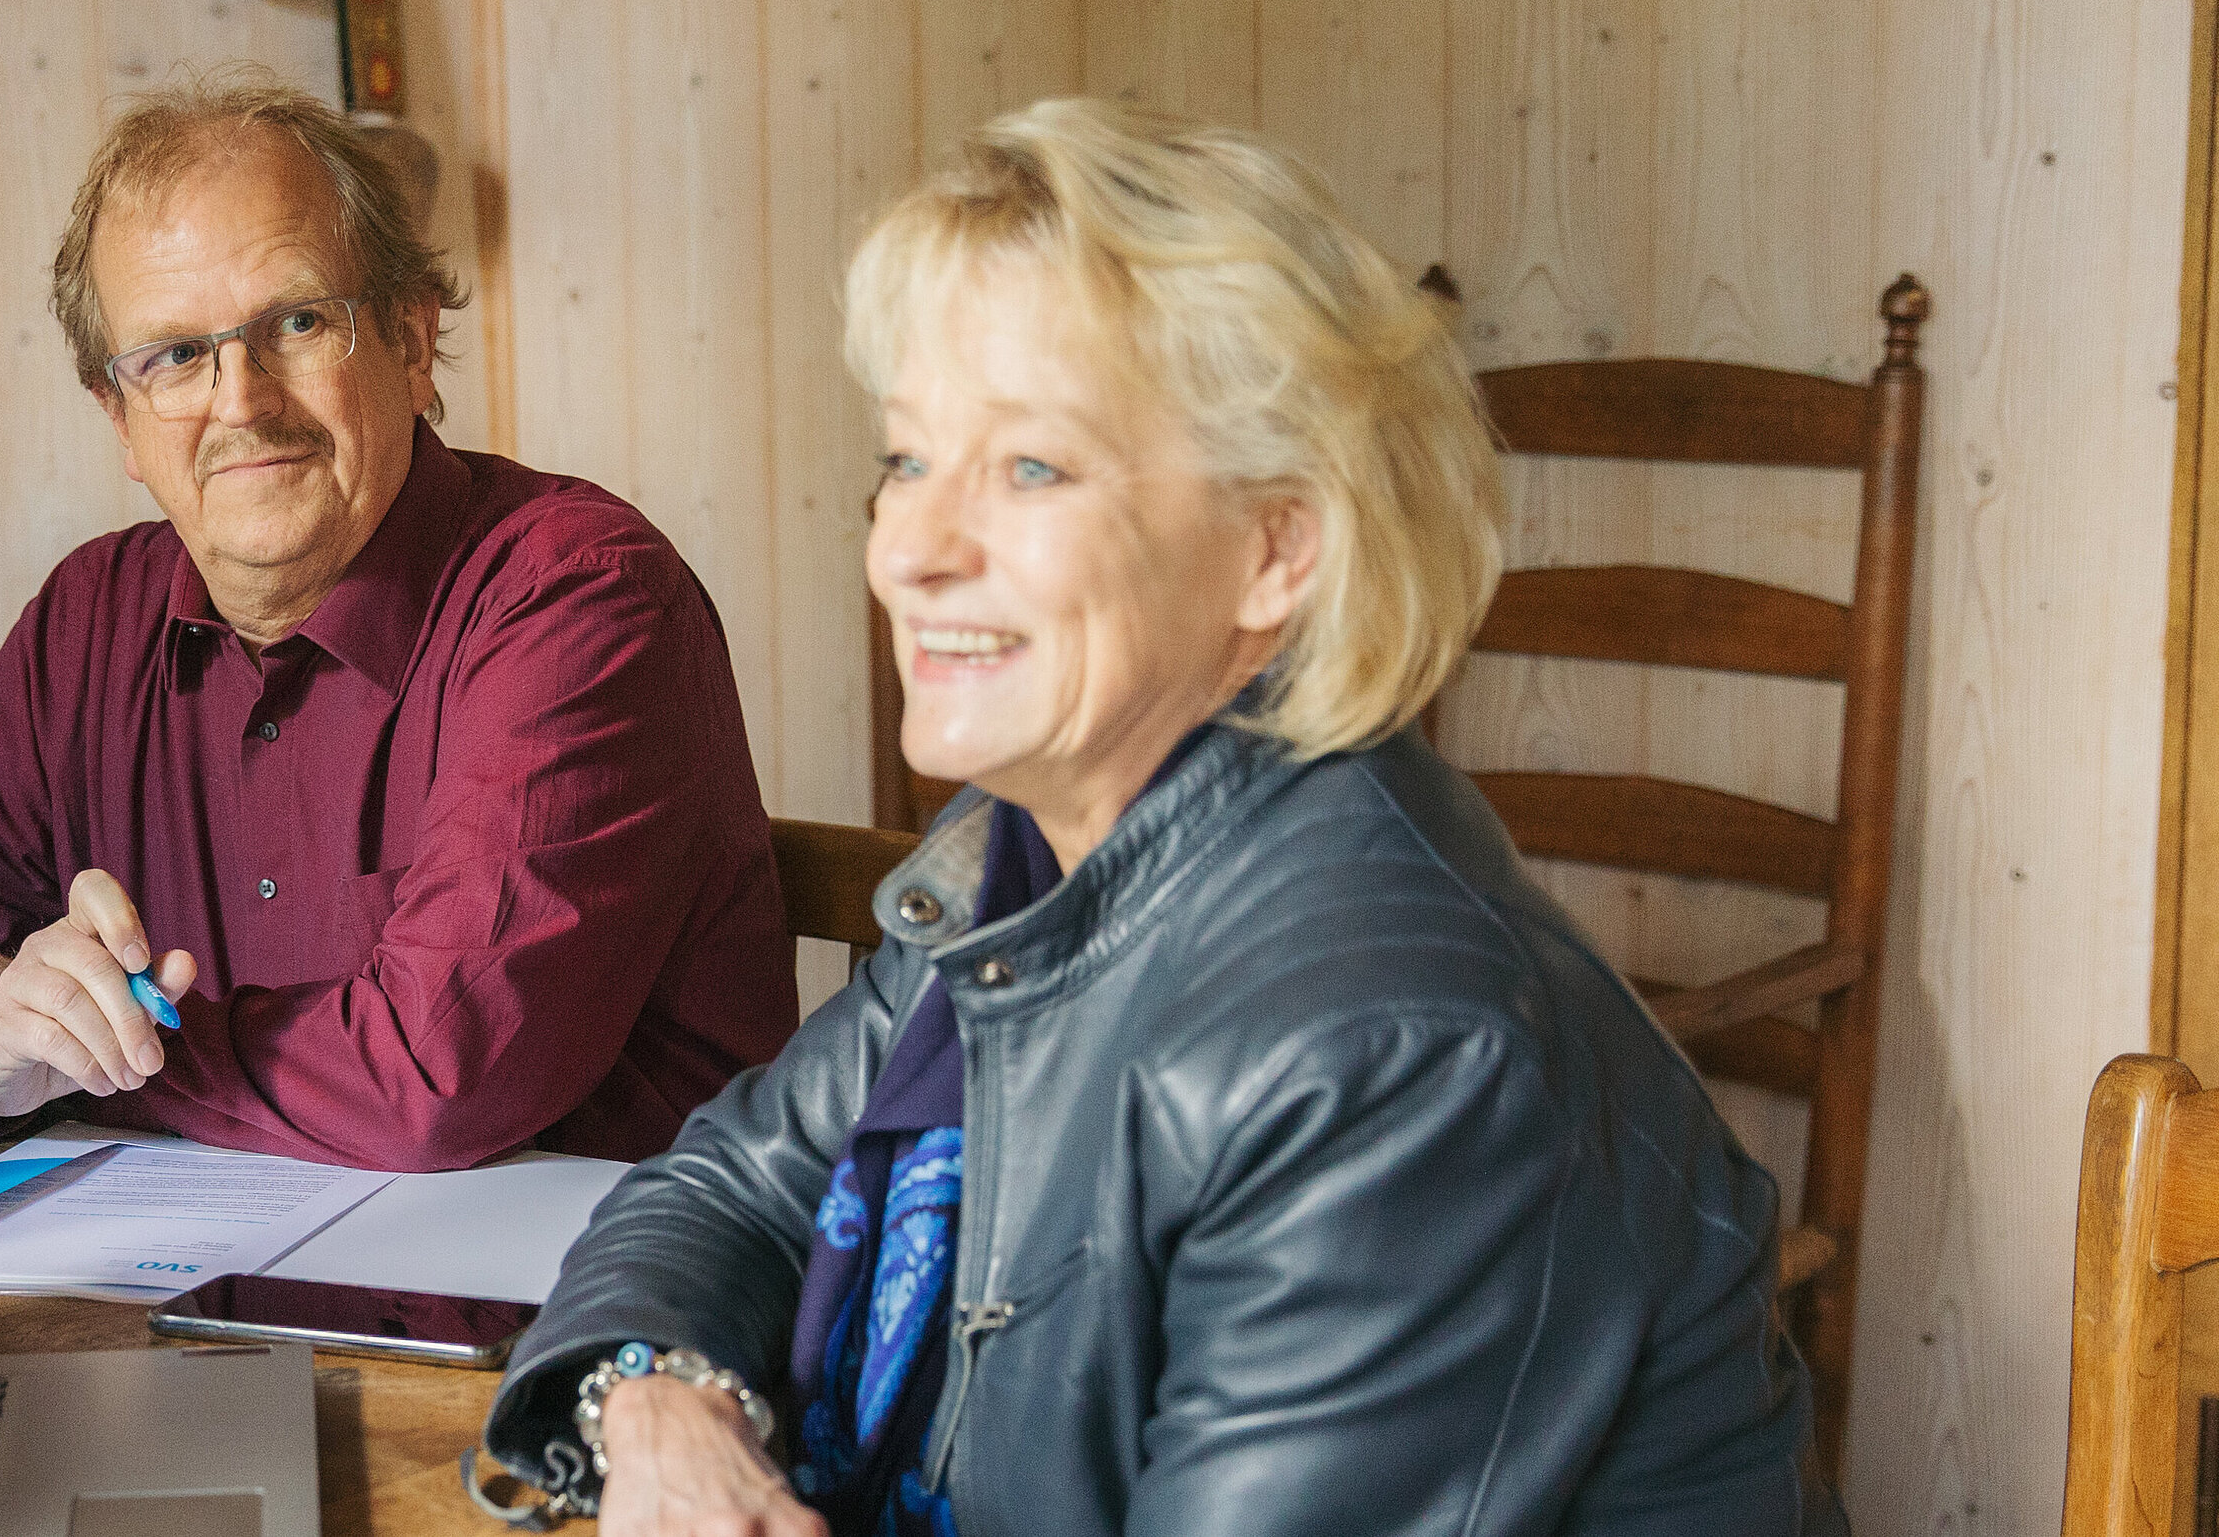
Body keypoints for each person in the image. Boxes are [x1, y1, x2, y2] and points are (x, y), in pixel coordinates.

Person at [477, 99, 1813, 1537]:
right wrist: (668, 1405)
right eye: (909, 459)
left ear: (1273, 547)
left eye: (1031, 466)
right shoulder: (1038, 854)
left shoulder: (1392, 1053)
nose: (913, 548)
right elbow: (730, 1184)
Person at [0, 73, 795, 1172]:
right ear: (120, 418)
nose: (241, 402)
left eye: (296, 322)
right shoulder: (86, 626)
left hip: (568, 1319)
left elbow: (432, 1080)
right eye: (174, 356)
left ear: (407, 341)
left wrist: (97, 1051)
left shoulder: (577, 597)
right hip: (202, 1307)